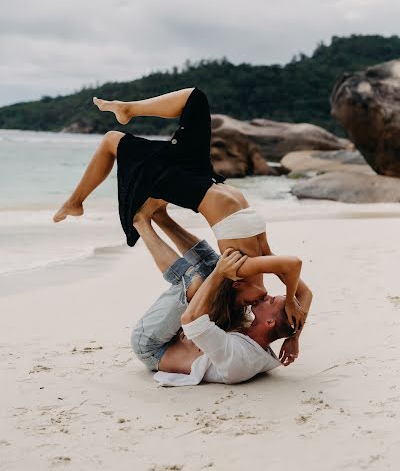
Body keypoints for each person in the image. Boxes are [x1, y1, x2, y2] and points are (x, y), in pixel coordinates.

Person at [53, 87, 305, 329]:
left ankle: (75, 203)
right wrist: (294, 327)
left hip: (191, 188)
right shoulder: (261, 262)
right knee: (196, 99)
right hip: (205, 176)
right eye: (267, 301)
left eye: (250, 304)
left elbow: (293, 264)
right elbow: (306, 292)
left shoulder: (239, 270)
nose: (261, 300)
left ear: (236, 288)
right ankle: (128, 109)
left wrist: (290, 298)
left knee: (111, 141)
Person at [130, 199, 313, 386]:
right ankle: (162, 217)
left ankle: (140, 222)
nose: (267, 296)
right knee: (219, 267)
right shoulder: (257, 341)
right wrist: (294, 337)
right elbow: (306, 294)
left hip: (152, 346)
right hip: (176, 337)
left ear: (270, 322)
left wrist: (219, 273)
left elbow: (190, 318)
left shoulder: (238, 356)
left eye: (272, 301)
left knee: (195, 283)